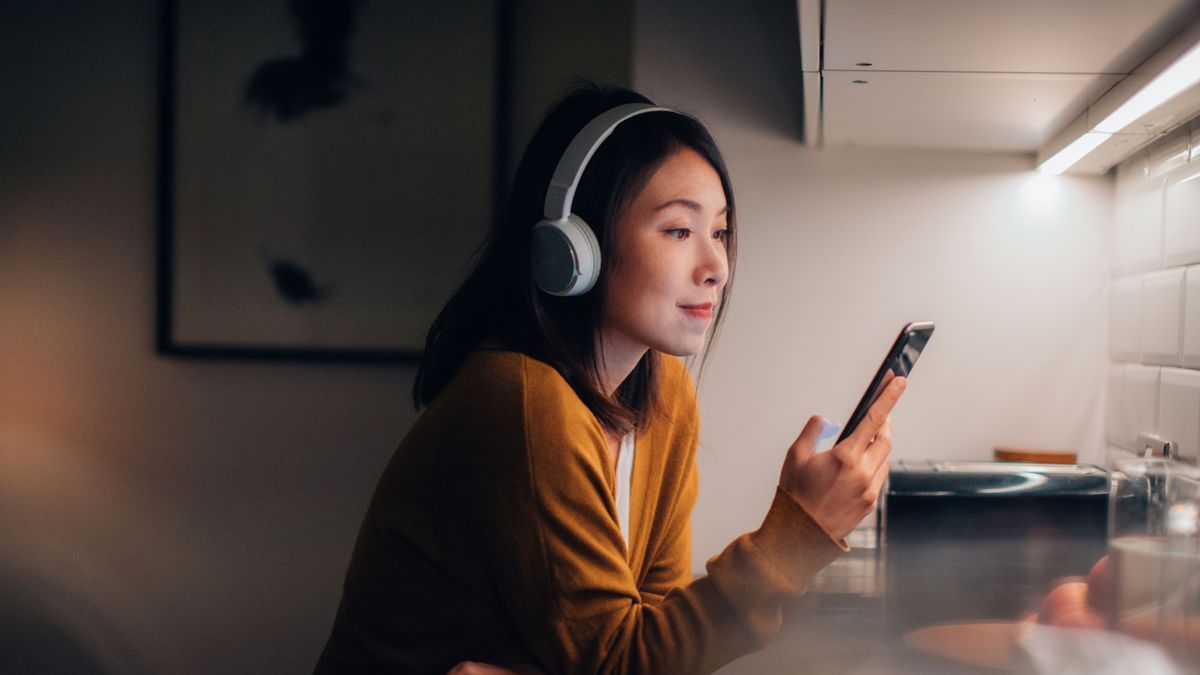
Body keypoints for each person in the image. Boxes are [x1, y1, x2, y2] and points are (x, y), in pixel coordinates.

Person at [314, 82, 905, 674]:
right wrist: (800, 533)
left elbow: (654, 639)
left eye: (720, 232)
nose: (717, 267)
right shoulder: (520, 401)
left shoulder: (664, 395)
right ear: (576, 246)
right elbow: (624, 662)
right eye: (679, 231)